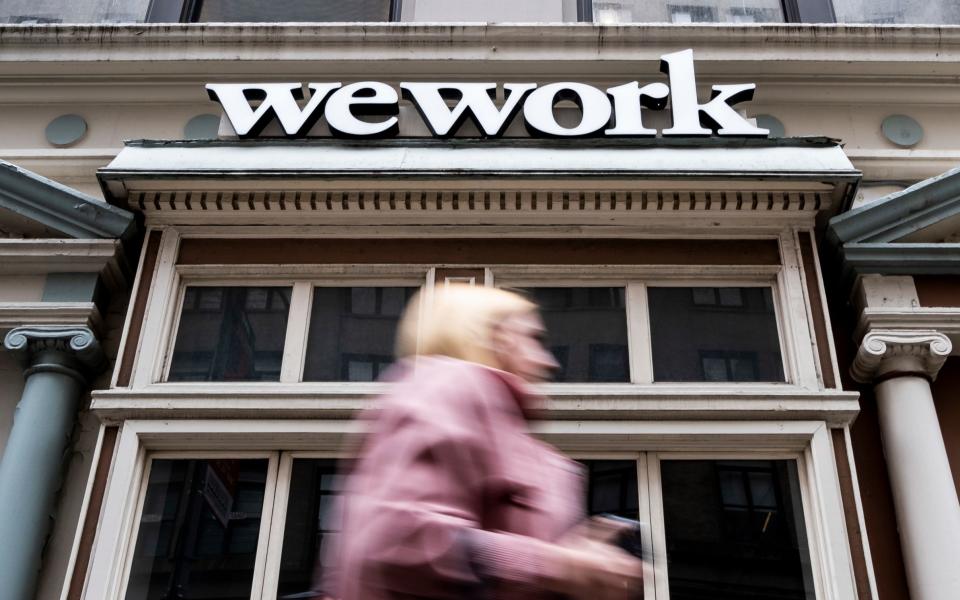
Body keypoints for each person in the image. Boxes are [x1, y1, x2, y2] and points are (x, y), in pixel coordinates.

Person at [323, 284, 644, 599]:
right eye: (533, 338)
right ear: (489, 337)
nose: (550, 362)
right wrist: (561, 565)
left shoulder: (515, 437)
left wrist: (581, 564)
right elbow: (395, 538)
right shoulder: (448, 387)